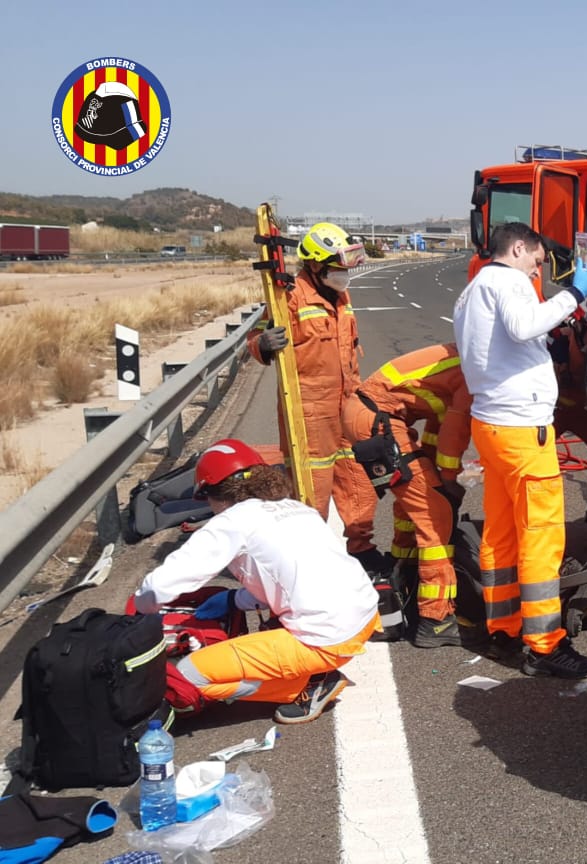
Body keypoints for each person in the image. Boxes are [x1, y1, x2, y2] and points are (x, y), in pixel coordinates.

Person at [130, 439, 380, 725]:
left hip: (326, 638)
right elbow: (288, 577)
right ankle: (309, 670)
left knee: (187, 678)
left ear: (216, 493)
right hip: (364, 615)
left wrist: (138, 615)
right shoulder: (296, 509)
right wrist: (234, 599)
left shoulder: (231, 522)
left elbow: (158, 587)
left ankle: (306, 686)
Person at [452, 221, 587, 678]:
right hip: (521, 429)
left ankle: (502, 627)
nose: (539, 270)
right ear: (518, 249)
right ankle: (543, 643)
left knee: (501, 532)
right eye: (537, 261)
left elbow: (510, 340)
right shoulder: (508, 282)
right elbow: (523, 326)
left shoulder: (475, 290)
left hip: (493, 427)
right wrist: (574, 294)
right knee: (541, 535)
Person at [246, 222, 384, 573]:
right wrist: (263, 344)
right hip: (310, 409)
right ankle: (310, 557)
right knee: (312, 488)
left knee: (358, 481)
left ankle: (361, 547)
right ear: (316, 266)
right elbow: (256, 337)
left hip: (347, 404)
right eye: (337, 269)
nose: (343, 276)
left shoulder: (341, 296)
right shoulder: (288, 297)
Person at [341, 342, 472, 648]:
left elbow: (436, 430)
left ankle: (406, 581)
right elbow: (455, 427)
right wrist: (449, 482)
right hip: (378, 421)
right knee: (435, 512)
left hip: (372, 416)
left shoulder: (461, 359)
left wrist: (438, 473)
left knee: (414, 503)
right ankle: (436, 619)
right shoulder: (475, 369)